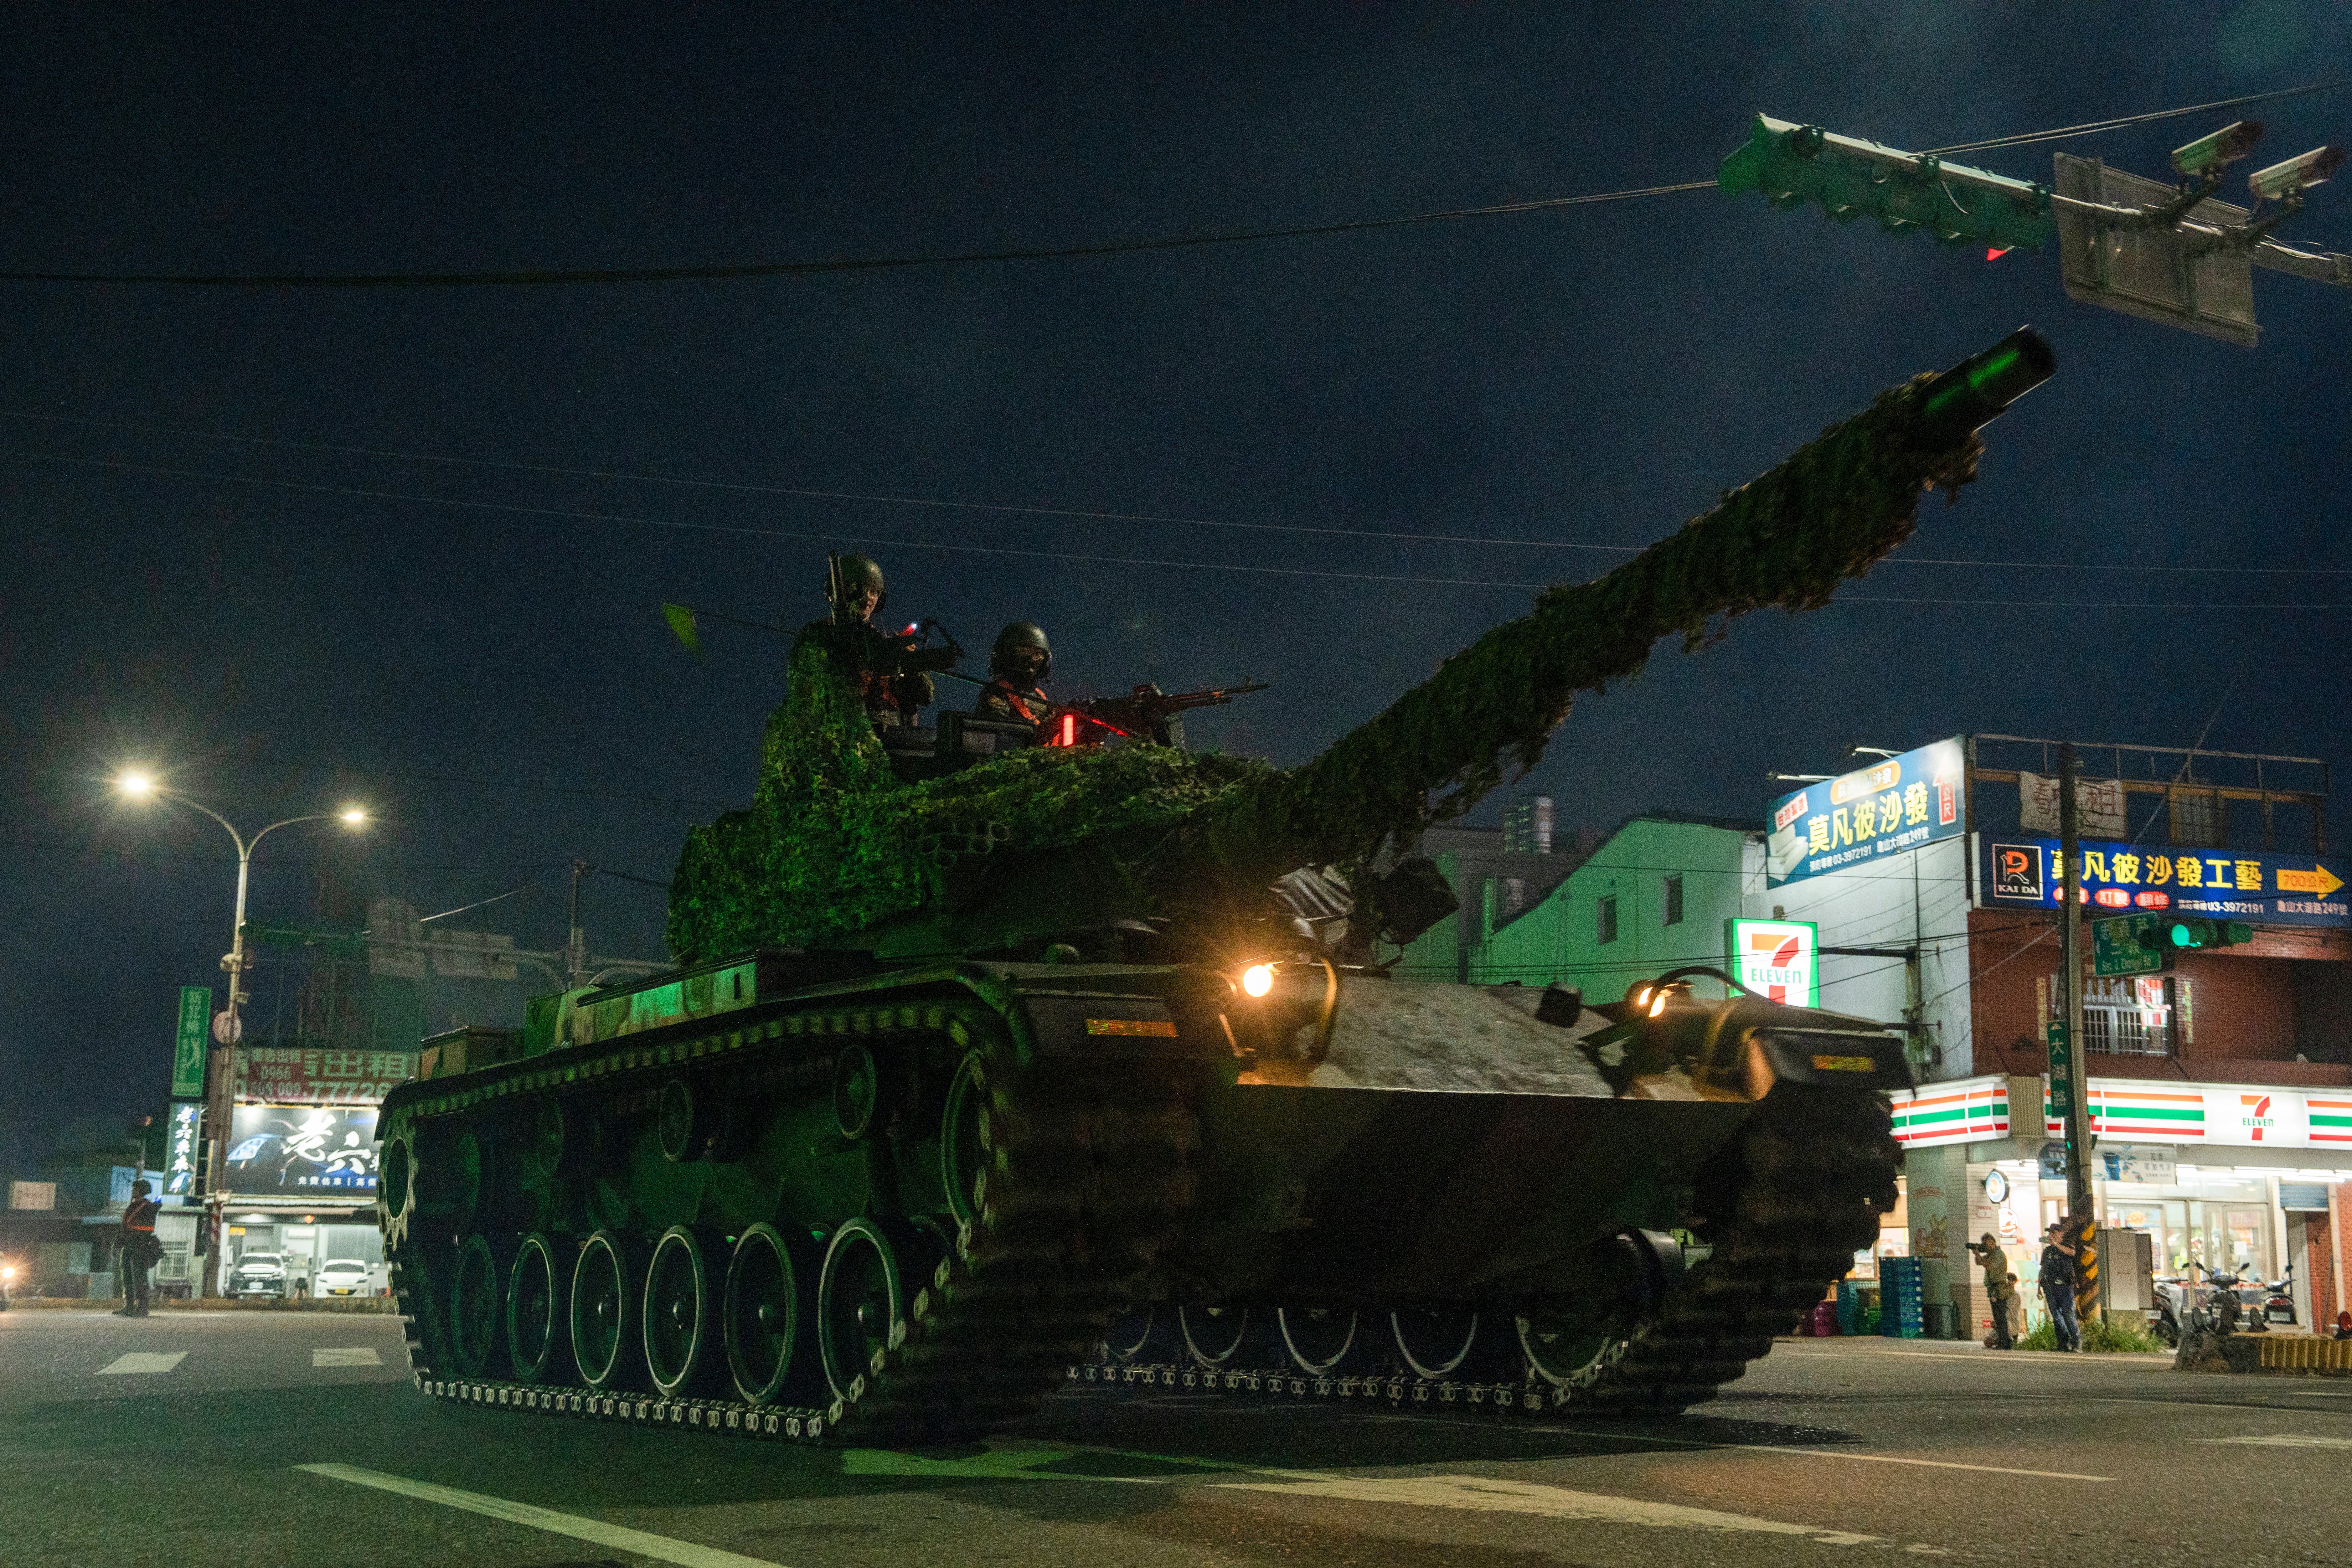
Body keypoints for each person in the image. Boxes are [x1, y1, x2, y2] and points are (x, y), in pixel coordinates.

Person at [798, 554, 937, 728]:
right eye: (861, 590)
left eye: (874, 592)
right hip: (839, 727)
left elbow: (924, 696)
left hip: (890, 732)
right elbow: (807, 690)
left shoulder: (883, 639)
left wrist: (909, 662)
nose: (869, 598)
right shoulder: (818, 634)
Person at [975, 623, 1053, 728]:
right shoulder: (997, 693)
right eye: (1023, 652)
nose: (1031, 660)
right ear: (1006, 655)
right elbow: (1003, 737)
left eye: (1037, 655)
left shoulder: (1040, 696)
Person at [115, 1179, 160, 1318]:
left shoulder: (148, 1207)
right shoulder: (132, 1207)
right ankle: (129, 1305)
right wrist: (117, 1245)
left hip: (140, 1246)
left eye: (136, 1189)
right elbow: (124, 1228)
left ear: (142, 1191)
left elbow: (145, 1229)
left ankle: (143, 1307)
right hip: (128, 1245)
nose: (133, 1191)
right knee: (127, 1276)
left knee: (140, 1276)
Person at [1965, 1232, 2017, 1349]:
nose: (1985, 1247)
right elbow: (1979, 1262)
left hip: (1999, 1288)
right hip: (1994, 1288)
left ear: (1993, 1242)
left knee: (2001, 1317)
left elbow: (1988, 1266)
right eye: (1983, 1244)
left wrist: (1979, 1254)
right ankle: (2003, 1341)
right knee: (1998, 1317)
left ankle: (2005, 1342)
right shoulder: (1992, 1254)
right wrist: (1977, 1254)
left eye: (1986, 1244)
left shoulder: (1998, 1255)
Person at [2040, 1221, 2081, 1352]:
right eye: (2050, 1232)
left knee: (2069, 1314)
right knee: (2056, 1317)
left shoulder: (2066, 1246)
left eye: (2054, 1232)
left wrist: (2057, 1245)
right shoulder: (2048, 1251)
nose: (2051, 1235)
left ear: (2061, 1233)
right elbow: (2043, 1269)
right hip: (2051, 1287)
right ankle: (2063, 1343)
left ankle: (2076, 1343)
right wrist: (2039, 1288)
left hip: (2065, 1287)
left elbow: (2072, 1253)